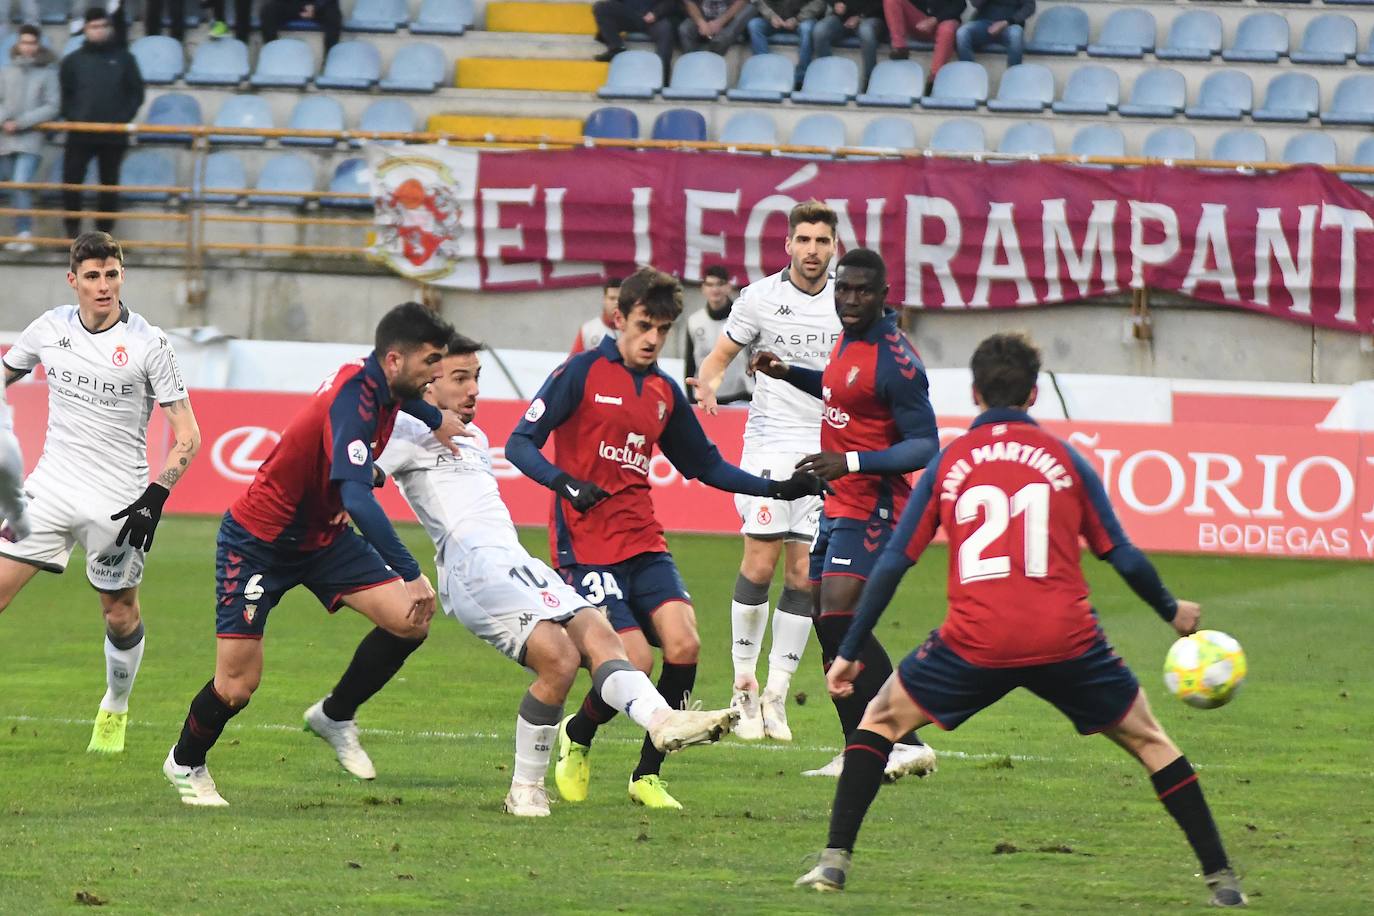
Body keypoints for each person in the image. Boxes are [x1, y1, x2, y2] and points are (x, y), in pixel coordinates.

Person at [794, 332, 1247, 909]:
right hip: (1067, 639)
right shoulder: (1064, 460)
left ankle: (834, 863)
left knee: (878, 723)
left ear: (976, 392)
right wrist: (1171, 610)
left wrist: (851, 649)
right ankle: (1221, 878)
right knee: (1152, 742)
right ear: (1034, 393)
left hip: (974, 641)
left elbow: (892, 565)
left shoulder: (951, 463)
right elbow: (1121, 553)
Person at [507, 265, 828, 810]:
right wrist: (565, 484)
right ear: (618, 320)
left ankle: (646, 775)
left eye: (663, 328)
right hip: (585, 547)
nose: (653, 339)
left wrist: (776, 488)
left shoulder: (661, 390)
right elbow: (519, 444)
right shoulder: (580, 373)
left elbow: (705, 465)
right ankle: (577, 735)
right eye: (643, 325)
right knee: (634, 661)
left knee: (685, 645)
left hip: (644, 541)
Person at [378, 335, 737, 818]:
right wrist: (398, 564)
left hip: (514, 561)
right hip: (471, 571)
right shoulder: (402, 431)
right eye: (459, 379)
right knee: (559, 659)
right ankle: (525, 788)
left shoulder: (476, 437)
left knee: (598, 633)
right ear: (427, 383)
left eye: (477, 378)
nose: (473, 391)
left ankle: (661, 720)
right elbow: (357, 476)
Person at [162, 302, 468, 807]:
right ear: (395, 361)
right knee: (237, 686)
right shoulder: (354, 400)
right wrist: (411, 571)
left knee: (410, 621)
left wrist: (435, 417)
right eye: (430, 362)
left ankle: (335, 714)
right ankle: (185, 761)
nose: (437, 373)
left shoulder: (379, 383)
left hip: (323, 540)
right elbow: (355, 497)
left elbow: (396, 413)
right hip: (258, 543)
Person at [0, 232, 200, 755]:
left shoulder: (149, 344)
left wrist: (155, 496)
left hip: (119, 502)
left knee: (118, 612)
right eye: (92, 276)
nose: (103, 285)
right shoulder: (48, 329)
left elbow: (189, 435)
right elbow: (5, 374)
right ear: (74, 281)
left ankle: (115, 703)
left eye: (111, 274)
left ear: (121, 276)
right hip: (49, 488)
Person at [750, 247, 939, 781]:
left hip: (875, 503)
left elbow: (925, 445)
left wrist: (850, 460)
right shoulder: (846, 340)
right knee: (824, 619)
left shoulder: (899, 361)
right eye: (844, 289)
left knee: (837, 615)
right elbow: (838, 390)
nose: (850, 299)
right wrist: (788, 373)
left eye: (862, 291)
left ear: (883, 296)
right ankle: (864, 746)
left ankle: (899, 736)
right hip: (838, 501)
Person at [687, 200, 839, 744]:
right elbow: (719, 355)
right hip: (770, 445)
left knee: (802, 575)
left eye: (822, 241)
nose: (813, 251)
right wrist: (705, 383)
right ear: (789, 245)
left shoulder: (848, 300)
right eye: (805, 240)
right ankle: (743, 687)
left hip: (825, 449)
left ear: (833, 246)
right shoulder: (760, 298)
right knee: (760, 557)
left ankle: (776, 695)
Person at [58, 10, 144, 240]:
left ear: (110, 28)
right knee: (71, 181)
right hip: (79, 133)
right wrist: (74, 117)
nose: (99, 30)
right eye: (93, 26)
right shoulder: (72, 61)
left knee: (109, 184)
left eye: (103, 26)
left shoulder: (125, 58)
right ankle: (71, 231)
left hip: (112, 134)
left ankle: (104, 233)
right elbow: (64, 95)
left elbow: (136, 93)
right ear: (85, 30)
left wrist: (121, 118)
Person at [0, 24, 59, 253]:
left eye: (32, 43)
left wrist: (22, 122)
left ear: (38, 45)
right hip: (4, 140)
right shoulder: (5, 71)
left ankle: (25, 233)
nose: (27, 47)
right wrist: (5, 120)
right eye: (24, 42)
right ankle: (18, 233)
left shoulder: (48, 73)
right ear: (17, 44)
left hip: (31, 140)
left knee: (21, 184)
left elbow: (53, 106)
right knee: (14, 187)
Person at [683, 266, 751, 406]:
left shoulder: (743, 318)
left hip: (742, 396)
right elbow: (690, 363)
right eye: (710, 284)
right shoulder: (694, 321)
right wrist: (691, 399)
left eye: (720, 284)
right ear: (703, 288)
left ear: (728, 287)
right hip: (708, 396)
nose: (715, 289)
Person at [592, 0, 680, 83]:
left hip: (654, 17)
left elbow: (671, 2)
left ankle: (661, 77)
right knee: (601, 7)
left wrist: (656, 14)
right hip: (629, 14)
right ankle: (616, 47)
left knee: (666, 28)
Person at [747, 0, 827, 86]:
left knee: (807, 29)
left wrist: (798, 19)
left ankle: (800, 78)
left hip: (802, 20)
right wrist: (771, 16)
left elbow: (819, 3)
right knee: (754, 25)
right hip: (774, 20)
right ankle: (763, 71)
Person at [884, 0, 963, 82]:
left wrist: (936, 20)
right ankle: (900, 48)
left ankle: (935, 78)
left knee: (947, 29)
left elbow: (960, 5)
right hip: (919, 21)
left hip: (943, 21)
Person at [811, 0, 885, 88]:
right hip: (841, 18)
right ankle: (827, 76)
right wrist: (836, 3)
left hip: (870, 17)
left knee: (866, 33)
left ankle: (870, 80)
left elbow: (880, 3)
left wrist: (860, 16)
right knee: (820, 31)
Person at [955, 0, 1032, 67]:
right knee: (962, 33)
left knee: (1016, 34)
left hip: (1010, 24)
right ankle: (968, 75)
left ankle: (1013, 76)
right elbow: (975, 4)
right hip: (983, 24)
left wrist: (1007, 22)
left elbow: (1029, 7)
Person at [261, 0, 344, 53]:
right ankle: (272, 51)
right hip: (294, 3)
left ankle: (330, 56)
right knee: (269, 11)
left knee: (333, 15)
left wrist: (316, 6)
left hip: (321, 5)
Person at [679, 0, 758, 54]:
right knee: (684, 29)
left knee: (750, 8)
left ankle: (718, 45)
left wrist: (720, 22)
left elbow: (742, 1)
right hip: (703, 16)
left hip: (728, 17)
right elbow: (690, 3)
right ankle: (693, 64)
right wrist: (701, 22)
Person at [571, 277, 622, 355]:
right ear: (604, 300)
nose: (616, 303)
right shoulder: (588, 331)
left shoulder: (633, 329)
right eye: (612, 298)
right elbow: (573, 364)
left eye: (620, 299)